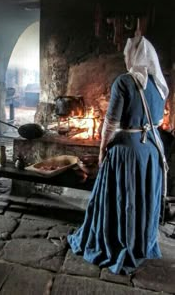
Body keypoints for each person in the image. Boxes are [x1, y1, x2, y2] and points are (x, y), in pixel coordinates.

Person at [68, 35, 169, 274]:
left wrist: (103, 150)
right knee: (141, 199)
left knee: (123, 199)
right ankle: (140, 243)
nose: (125, 58)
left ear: (134, 57)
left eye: (127, 54)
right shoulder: (159, 85)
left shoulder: (124, 83)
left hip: (127, 153)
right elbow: (157, 120)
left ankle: (118, 242)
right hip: (151, 152)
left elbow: (110, 124)